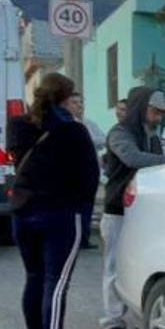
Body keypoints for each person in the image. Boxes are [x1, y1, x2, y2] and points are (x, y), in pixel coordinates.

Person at [6, 72, 100, 329]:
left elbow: (17, 160)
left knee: (33, 277)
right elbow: (89, 177)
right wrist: (81, 210)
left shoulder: (18, 125)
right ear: (64, 98)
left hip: (23, 211)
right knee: (56, 281)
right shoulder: (73, 130)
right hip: (60, 213)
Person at [101, 86, 165, 329]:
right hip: (118, 210)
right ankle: (113, 322)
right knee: (113, 267)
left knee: (140, 266)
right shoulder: (119, 133)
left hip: (143, 211)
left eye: (162, 112)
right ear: (141, 107)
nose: (159, 116)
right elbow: (132, 158)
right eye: (155, 111)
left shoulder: (152, 136)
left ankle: (139, 320)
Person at [64, 92, 104, 249]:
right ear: (67, 106)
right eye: (75, 102)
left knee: (87, 207)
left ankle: (84, 239)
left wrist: (89, 140)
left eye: (81, 102)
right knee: (73, 208)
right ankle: (72, 238)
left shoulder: (89, 124)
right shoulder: (66, 124)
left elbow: (103, 139)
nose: (79, 106)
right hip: (73, 174)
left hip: (90, 173)